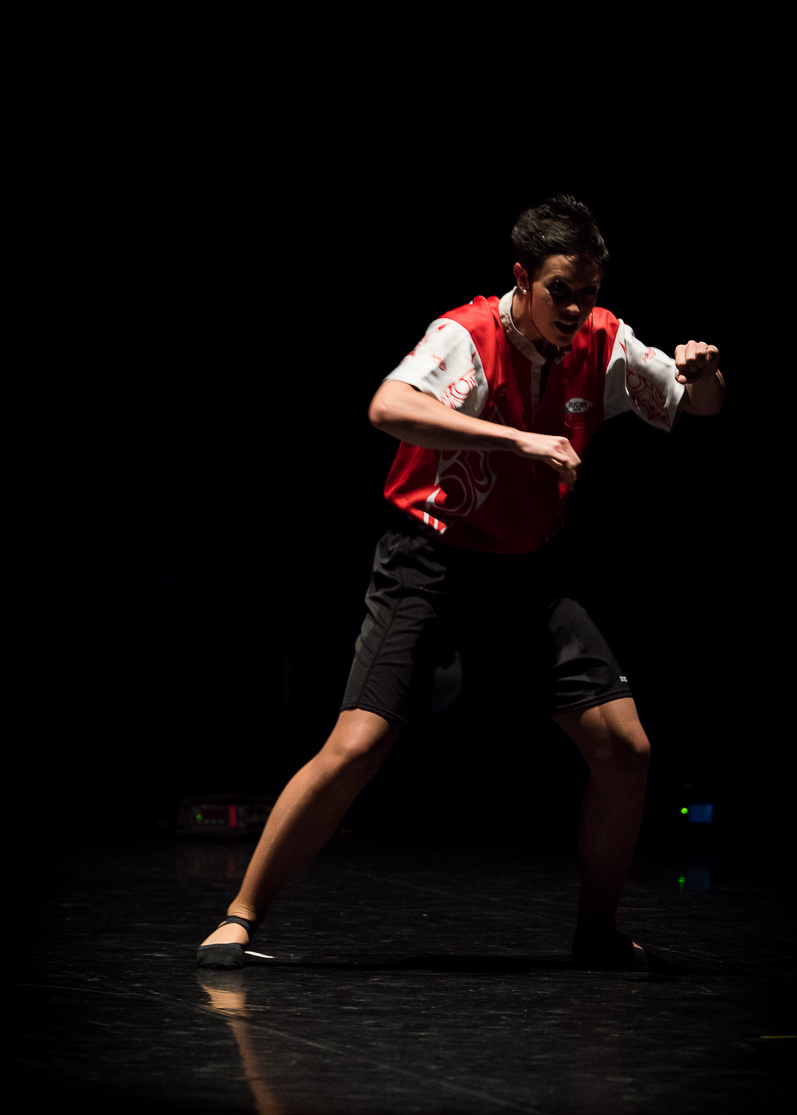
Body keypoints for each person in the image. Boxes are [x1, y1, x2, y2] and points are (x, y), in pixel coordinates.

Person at [197, 194, 725, 971]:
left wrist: (707, 377)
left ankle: (597, 934)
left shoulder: (604, 340)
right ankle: (240, 916)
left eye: (588, 291)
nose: (575, 308)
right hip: (429, 562)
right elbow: (388, 407)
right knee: (357, 745)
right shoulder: (467, 336)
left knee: (626, 748)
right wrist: (520, 441)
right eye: (560, 291)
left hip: (525, 575)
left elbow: (696, 407)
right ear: (523, 278)